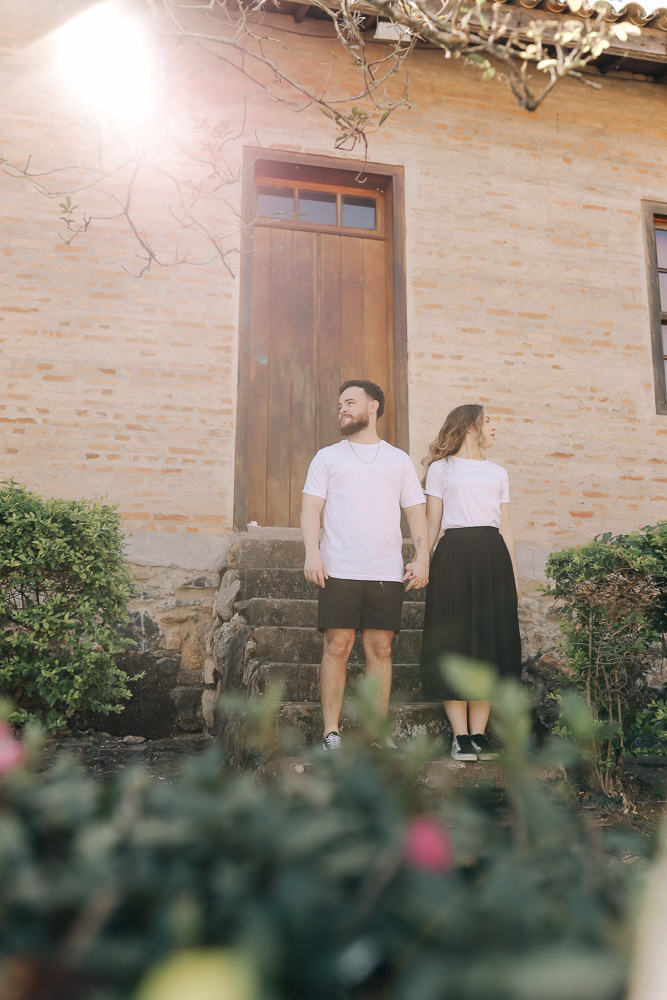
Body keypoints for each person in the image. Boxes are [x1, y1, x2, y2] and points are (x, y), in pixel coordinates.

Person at [301, 380, 429, 751]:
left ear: (372, 406)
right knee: (337, 646)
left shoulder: (398, 459)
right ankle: (331, 732)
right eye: (339, 403)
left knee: (381, 650)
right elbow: (311, 508)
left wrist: (422, 558)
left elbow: (416, 514)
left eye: (350, 402)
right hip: (338, 566)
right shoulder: (328, 457)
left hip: (386, 571)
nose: (341, 408)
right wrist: (312, 551)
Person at [418, 404, 521, 762]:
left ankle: (479, 735)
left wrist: (515, 578)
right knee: (456, 643)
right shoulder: (441, 470)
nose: (495, 427)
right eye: (488, 421)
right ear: (469, 427)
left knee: (489, 643)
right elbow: (432, 525)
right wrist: (422, 562)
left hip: (493, 557)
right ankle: (459, 736)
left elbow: (505, 529)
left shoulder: (498, 473)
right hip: (454, 557)